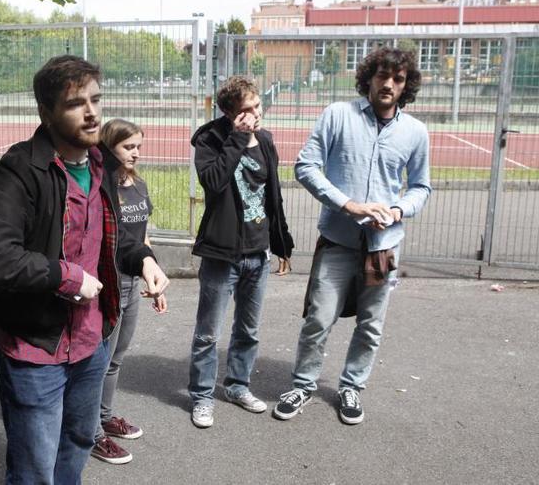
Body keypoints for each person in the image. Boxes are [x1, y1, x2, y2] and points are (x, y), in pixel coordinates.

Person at [0, 56, 169, 484]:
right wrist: (68, 276)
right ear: (46, 113)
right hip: (35, 347)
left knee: (78, 442)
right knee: (34, 468)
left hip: (92, 341)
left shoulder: (102, 164)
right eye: (75, 103)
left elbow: (110, 238)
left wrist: (145, 259)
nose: (92, 111)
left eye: (96, 99)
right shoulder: (19, 170)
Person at [273, 46, 431, 425]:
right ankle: (303, 384)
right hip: (337, 244)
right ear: (368, 78)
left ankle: (351, 387)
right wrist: (348, 205)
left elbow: (421, 188)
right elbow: (305, 166)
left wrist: (396, 211)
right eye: (382, 75)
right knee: (318, 318)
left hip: (382, 249)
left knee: (371, 324)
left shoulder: (415, 132)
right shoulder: (338, 115)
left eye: (398, 79)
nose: (389, 84)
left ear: (406, 86)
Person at [187, 75, 295, 428]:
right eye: (246, 110)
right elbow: (214, 183)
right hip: (222, 254)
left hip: (258, 252)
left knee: (249, 331)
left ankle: (237, 385)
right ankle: (202, 396)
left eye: (257, 106)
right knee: (208, 332)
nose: (254, 114)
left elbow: (272, 195)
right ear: (229, 113)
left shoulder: (265, 141)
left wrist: (281, 243)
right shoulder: (210, 139)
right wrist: (236, 138)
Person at [90, 119, 167, 465]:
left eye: (138, 145)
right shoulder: (101, 188)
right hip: (108, 282)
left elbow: (143, 237)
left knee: (117, 357)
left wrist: (153, 276)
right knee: (99, 360)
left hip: (135, 279)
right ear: (110, 148)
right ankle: (91, 433)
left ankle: (105, 416)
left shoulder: (138, 185)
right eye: (128, 146)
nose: (136, 152)